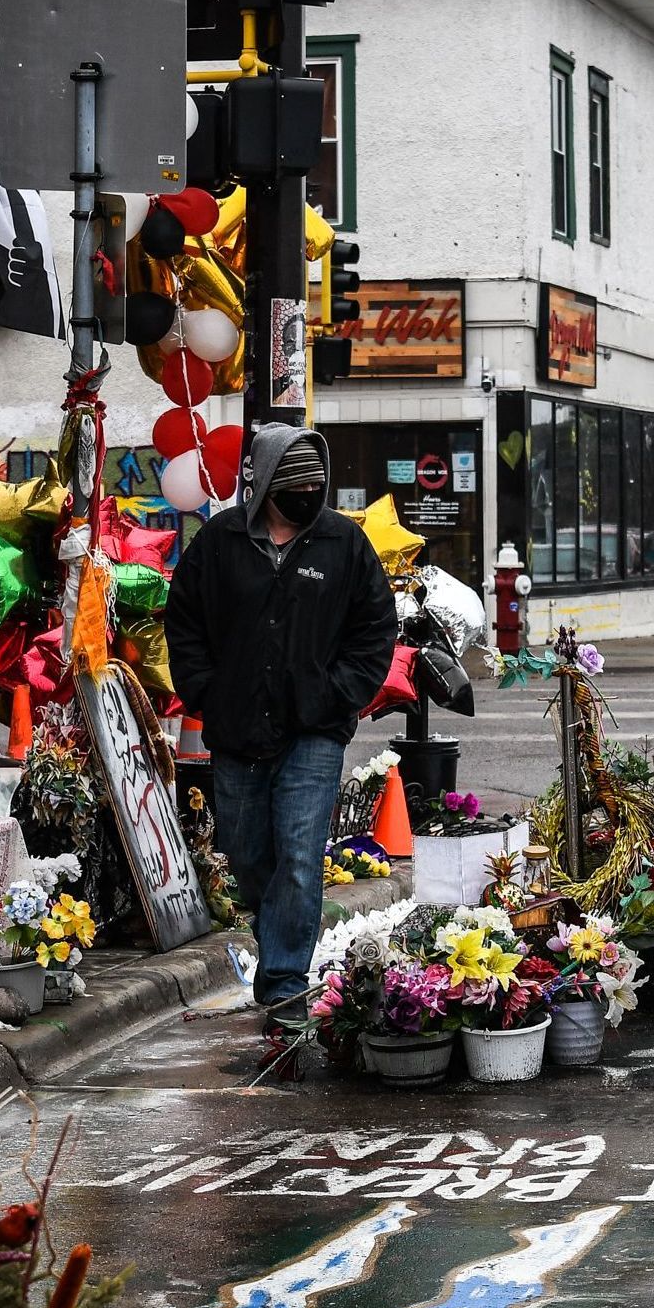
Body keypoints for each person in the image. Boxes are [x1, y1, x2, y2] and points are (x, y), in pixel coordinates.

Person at [165, 425, 398, 1019]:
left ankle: (285, 982)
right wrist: (207, 695)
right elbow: (184, 624)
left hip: (314, 732)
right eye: (297, 485)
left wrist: (335, 697)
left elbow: (374, 632)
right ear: (266, 485)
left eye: (317, 484)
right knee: (248, 854)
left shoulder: (343, 544)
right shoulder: (219, 543)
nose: (310, 494)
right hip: (236, 729)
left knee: (299, 853)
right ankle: (278, 947)